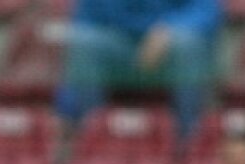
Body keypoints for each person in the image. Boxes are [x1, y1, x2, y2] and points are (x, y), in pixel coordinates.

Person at [54, 0, 222, 142]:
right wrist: (65, 103)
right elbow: (84, 23)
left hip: (168, 52)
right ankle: (91, 138)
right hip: (117, 50)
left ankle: (189, 142)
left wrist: (170, 30)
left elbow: (207, 10)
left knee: (188, 45)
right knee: (85, 42)